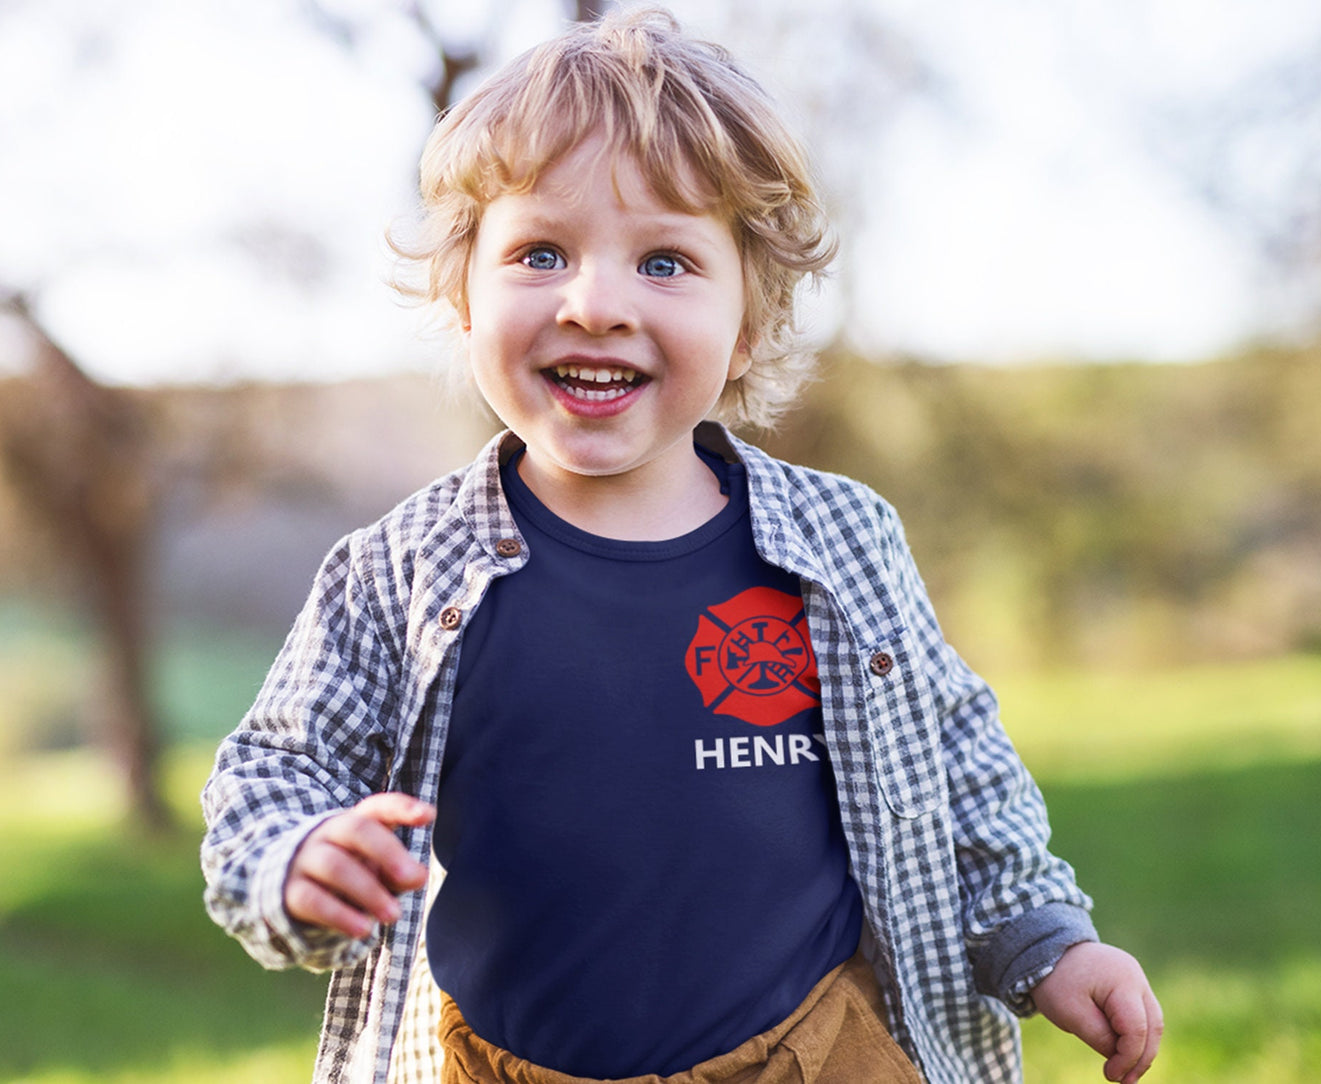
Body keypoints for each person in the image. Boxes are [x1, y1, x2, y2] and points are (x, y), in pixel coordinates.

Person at [200, 8, 1163, 1084]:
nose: (595, 302)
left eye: (663, 260)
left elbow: (952, 759)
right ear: (462, 295)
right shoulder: (398, 574)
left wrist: (1042, 935)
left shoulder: (840, 541)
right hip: (513, 1065)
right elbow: (271, 770)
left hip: (813, 1053)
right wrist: (293, 859)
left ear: (747, 317)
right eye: (538, 251)